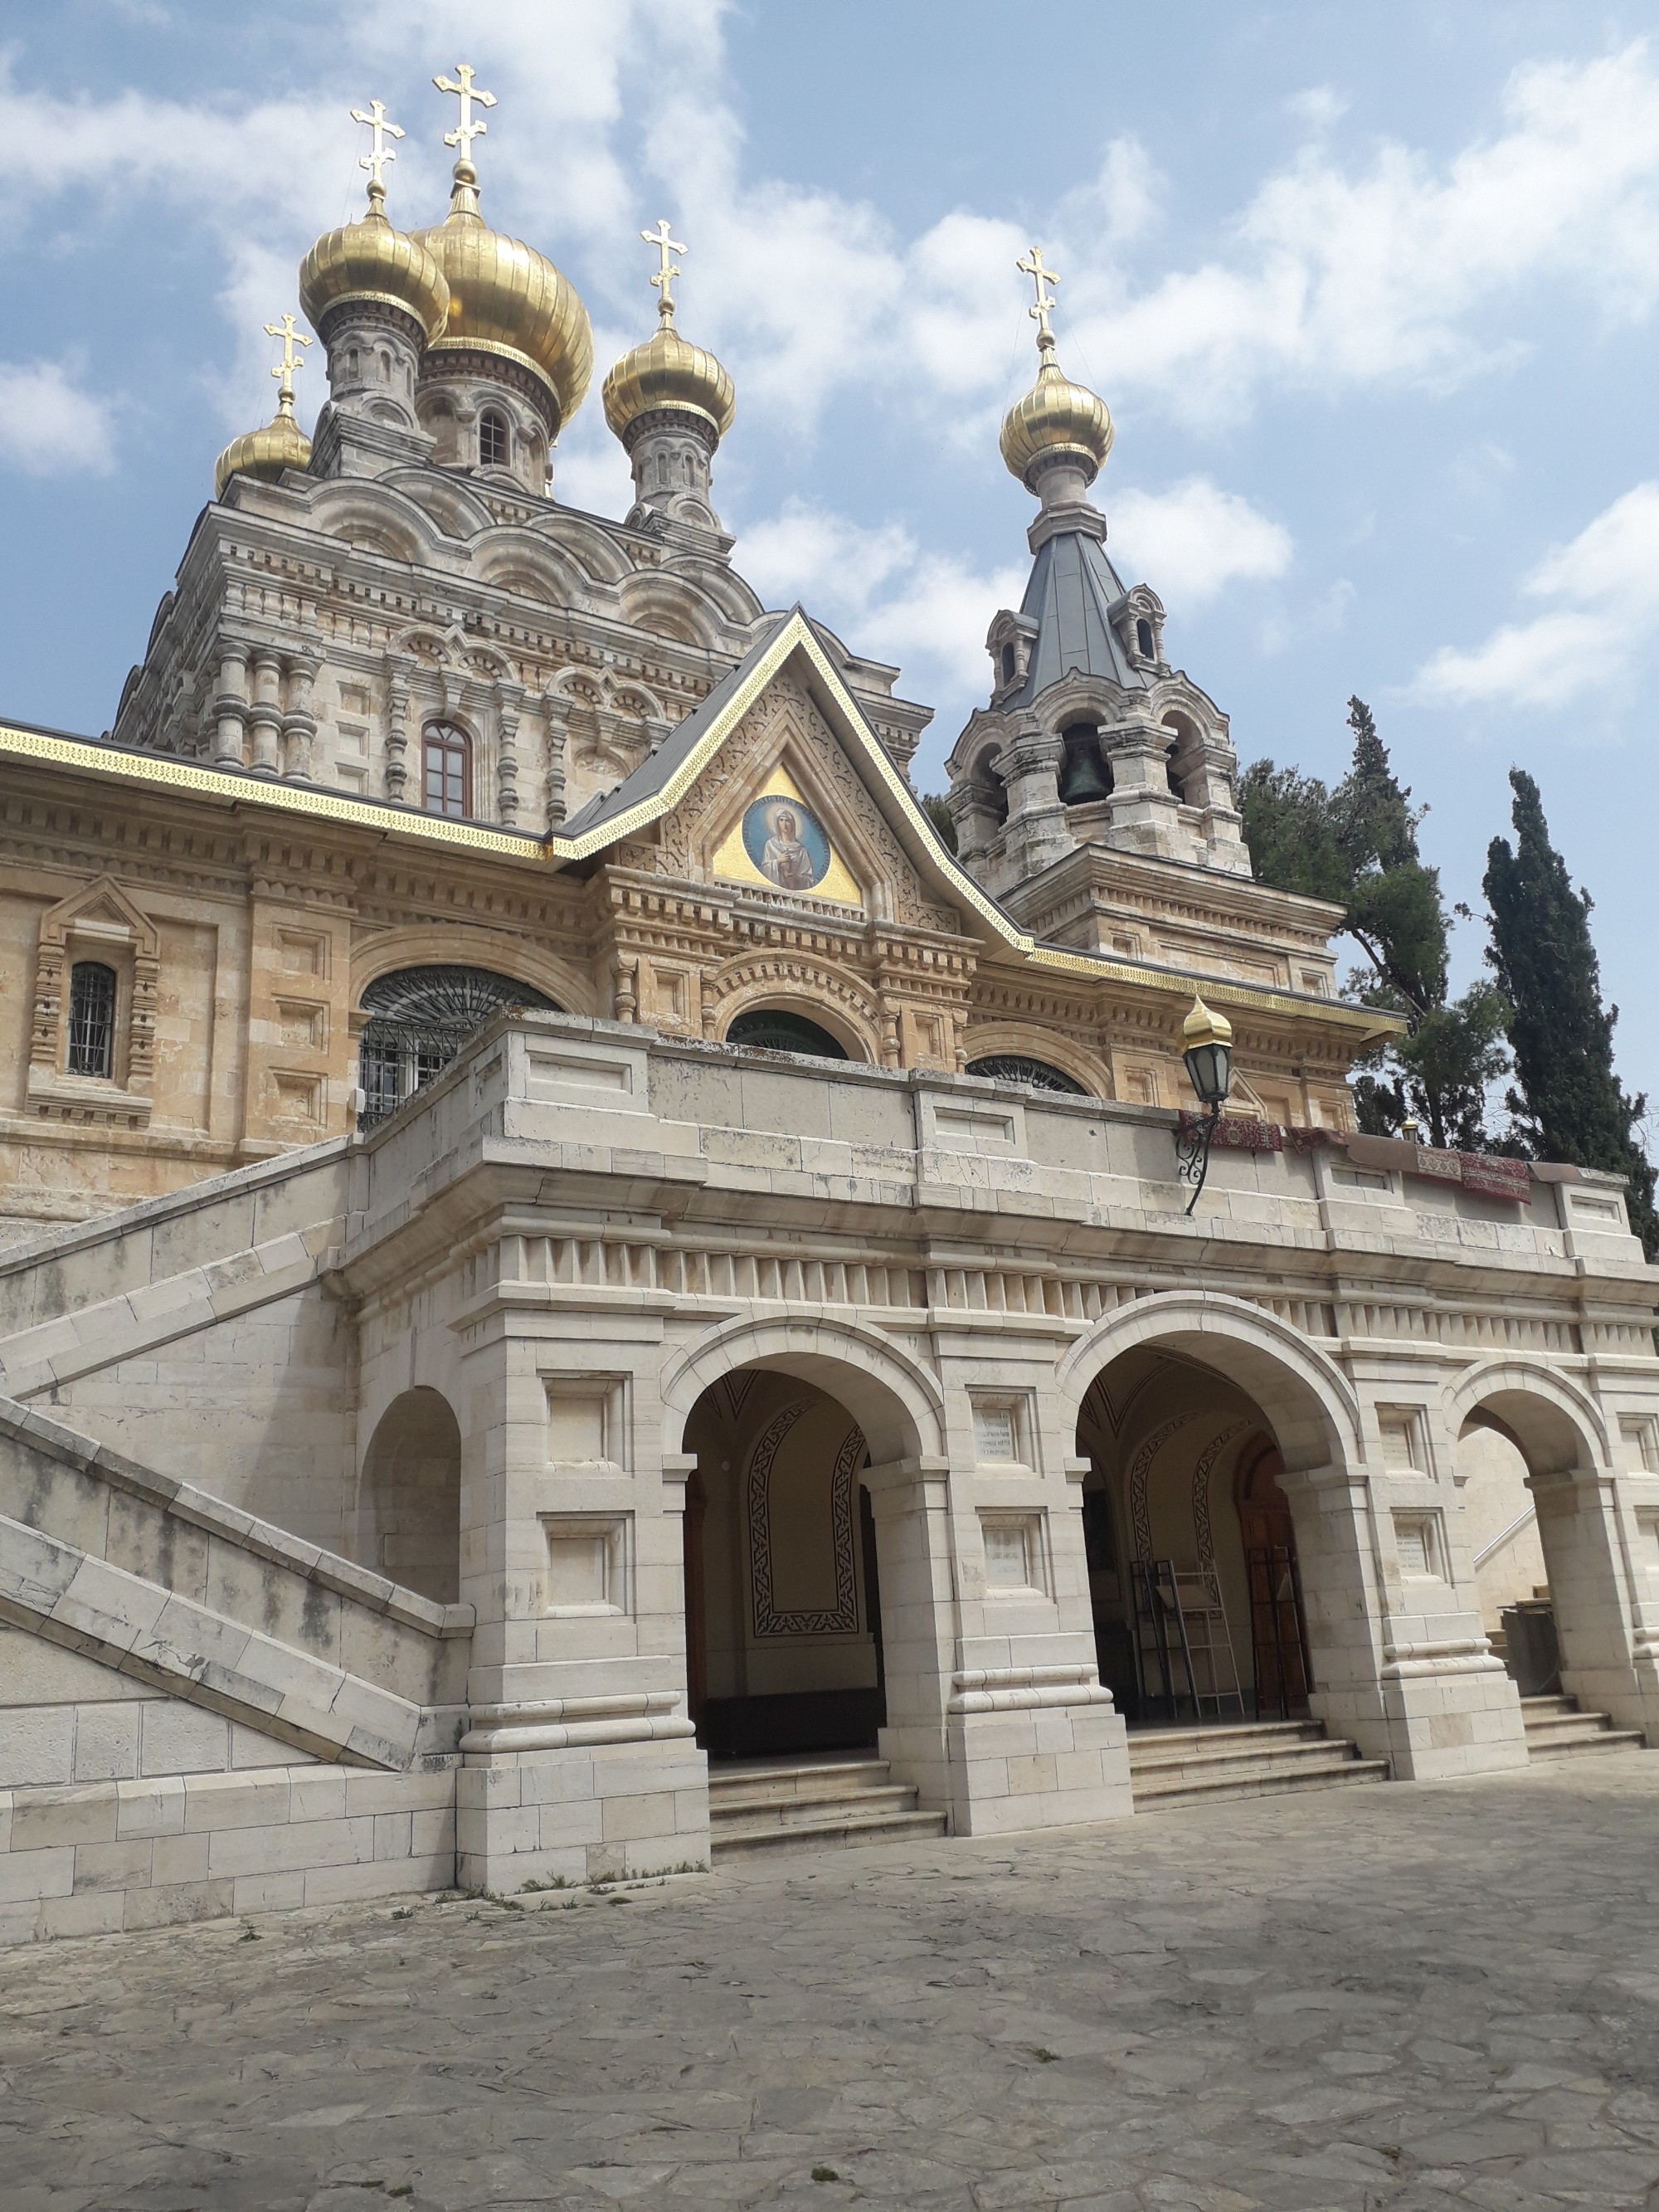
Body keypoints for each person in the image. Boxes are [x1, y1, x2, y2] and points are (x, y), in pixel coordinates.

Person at [760, 806, 816, 889]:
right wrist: (778, 861)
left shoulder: (801, 851)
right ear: (777, 823)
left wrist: (796, 878)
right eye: (781, 820)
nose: (784, 824)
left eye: (787, 821)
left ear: (792, 824)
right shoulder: (771, 844)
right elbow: (764, 869)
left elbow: (809, 880)